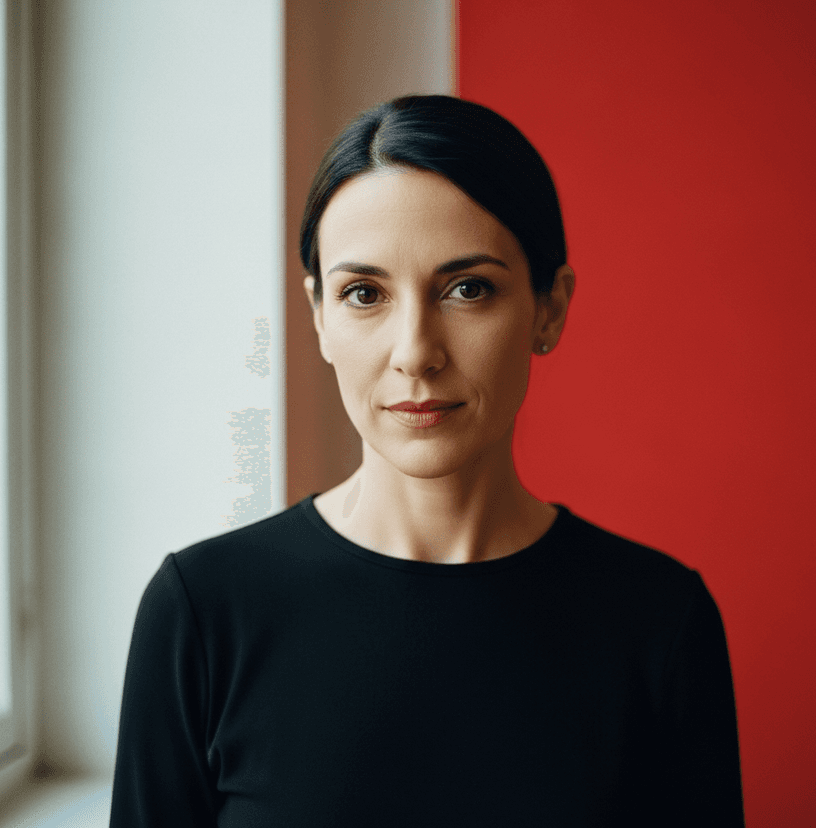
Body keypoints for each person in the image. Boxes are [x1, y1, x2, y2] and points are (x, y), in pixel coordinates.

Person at [109, 95, 745, 826]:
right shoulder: (202, 614)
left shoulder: (660, 622)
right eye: (364, 293)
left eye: (467, 289)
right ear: (318, 315)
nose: (415, 352)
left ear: (550, 308)